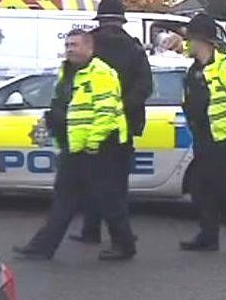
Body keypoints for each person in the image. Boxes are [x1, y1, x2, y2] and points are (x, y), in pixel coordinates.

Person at [13, 29, 137, 261]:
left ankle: (125, 245)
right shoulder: (67, 72)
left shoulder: (101, 73)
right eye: (68, 45)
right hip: (74, 146)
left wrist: (92, 143)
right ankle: (42, 247)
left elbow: (106, 112)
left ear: (89, 48)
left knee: (107, 198)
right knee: (64, 198)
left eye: (75, 45)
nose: (70, 49)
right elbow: (65, 104)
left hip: (99, 148)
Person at [70, 0, 152, 245]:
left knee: (94, 182)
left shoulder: (89, 46)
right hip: (123, 126)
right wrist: (123, 107)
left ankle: (93, 231)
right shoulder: (135, 48)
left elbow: (72, 85)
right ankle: (119, 231)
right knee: (117, 183)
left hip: (91, 125)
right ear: (122, 21)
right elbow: (145, 86)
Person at [180, 13, 226, 251]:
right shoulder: (194, 69)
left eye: (189, 39)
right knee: (201, 186)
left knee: (217, 184)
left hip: (220, 135)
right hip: (200, 134)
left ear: (201, 41)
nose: (186, 44)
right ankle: (208, 235)